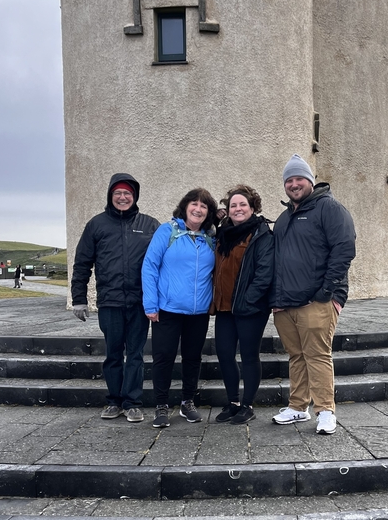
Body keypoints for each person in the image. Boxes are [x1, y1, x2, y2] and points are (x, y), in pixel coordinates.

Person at [271, 154, 356, 435]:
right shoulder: (284, 219)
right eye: (289, 180)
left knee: (317, 355)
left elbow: (344, 249)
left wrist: (327, 293)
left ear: (310, 181)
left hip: (316, 302)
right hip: (286, 304)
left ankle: (325, 410)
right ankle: (298, 407)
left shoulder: (328, 208)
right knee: (296, 356)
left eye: (299, 179)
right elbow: (279, 260)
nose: (294, 185)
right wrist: (277, 299)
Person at [71, 172, 159, 421]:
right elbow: (82, 264)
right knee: (113, 353)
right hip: (110, 302)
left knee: (135, 354)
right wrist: (79, 298)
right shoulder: (96, 225)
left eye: (127, 194)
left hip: (140, 302)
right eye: (118, 193)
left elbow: (165, 262)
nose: (123, 197)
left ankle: (132, 402)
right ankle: (114, 401)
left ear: (135, 197)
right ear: (111, 196)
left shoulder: (150, 225)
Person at [142, 188, 218, 428]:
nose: (198, 209)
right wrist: (150, 304)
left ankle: (187, 402)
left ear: (209, 213)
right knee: (163, 358)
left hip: (198, 312)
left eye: (204, 206)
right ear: (185, 207)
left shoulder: (211, 238)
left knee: (193, 358)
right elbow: (150, 266)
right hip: (167, 309)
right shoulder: (167, 231)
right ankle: (161, 405)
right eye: (194, 204)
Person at [212, 185, 274, 424]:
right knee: (225, 355)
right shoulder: (222, 233)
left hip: (250, 308)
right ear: (227, 210)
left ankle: (248, 405)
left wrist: (248, 300)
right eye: (233, 205)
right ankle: (233, 402)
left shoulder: (261, 234)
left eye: (242, 205)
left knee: (249, 356)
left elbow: (264, 273)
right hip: (225, 307)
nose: (237, 209)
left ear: (252, 208)